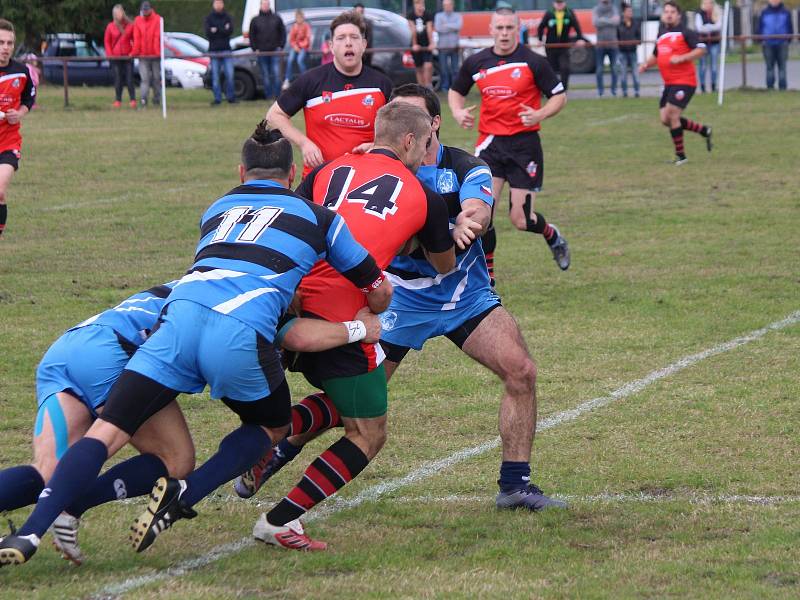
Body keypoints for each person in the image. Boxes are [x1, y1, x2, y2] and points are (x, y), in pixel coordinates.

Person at [0, 122, 391, 566]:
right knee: (246, 435)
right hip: (164, 340)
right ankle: (183, 494)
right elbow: (339, 306)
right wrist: (363, 325)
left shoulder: (215, 211)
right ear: (293, 173)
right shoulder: (317, 217)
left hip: (78, 346)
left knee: (76, 454)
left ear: (241, 172)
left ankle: (32, 531)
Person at [237, 84, 567, 522]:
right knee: (350, 404)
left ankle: (515, 484)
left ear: (431, 126)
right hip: (396, 299)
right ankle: (276, 449)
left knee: (521, 370)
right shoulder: (375, 166)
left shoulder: (465, 166)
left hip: (462, 296)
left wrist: (472, 220)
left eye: (413, 121)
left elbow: (479, 208)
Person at [245, 102, 463, 551]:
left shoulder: (329, 170)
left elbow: (292, 221)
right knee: (368, 432)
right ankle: (279, 518)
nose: (427, 153)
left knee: (347, 402)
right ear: (407, 141)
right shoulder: (425, 194)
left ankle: (268, 443)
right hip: (344, 313)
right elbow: (444, 264)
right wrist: (438, 229)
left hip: (290, 301)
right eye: (424, 144)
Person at [449, 6, 571, 280]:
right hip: (490, 146)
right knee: (483, 212)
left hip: (524, 146)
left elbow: (558, 96)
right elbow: (456, 91)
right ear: (491, 30)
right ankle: (488, 278)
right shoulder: (477, 62)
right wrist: (457, 111)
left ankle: (552, 235)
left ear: (518, 30)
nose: (504, 33)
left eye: (509, 28)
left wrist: (539, 113)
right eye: (499, 28)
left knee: (521, 219)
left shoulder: (533, 61)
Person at [266, 11, 393, 177]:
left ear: (364, 44)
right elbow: (273, 116)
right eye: (341, 38)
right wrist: (304, 143)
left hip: (367, 180)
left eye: (354, 37)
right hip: (318, 180)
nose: (348, 43)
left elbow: (401, 131)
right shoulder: (311, 80)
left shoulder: (382, 85)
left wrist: (377, 147)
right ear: (331, 46)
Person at [639, 1, 712, 165]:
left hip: (685, 81)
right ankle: (703, 130)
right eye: (666, 11)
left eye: (672, 11)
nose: (669, 14)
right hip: (669, 83)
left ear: (679, 15)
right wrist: (645, 64)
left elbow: (701, 49)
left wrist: (682, 58)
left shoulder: (686, 32)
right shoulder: (662, 34)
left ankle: (681, 156)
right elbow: (656, 55)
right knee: (665, 119)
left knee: (672, 114)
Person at [0, 19, 35, 239]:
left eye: (9, 43)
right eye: (1, 42)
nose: (5, 47)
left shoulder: (22, 72)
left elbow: (29, 99)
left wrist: (19, 114)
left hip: (9, 142)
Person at [536, 0, 587, 91]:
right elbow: (541, 27)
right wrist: (540, 39)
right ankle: (551, 89)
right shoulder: (549, 13)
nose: (559, 5)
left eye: (561, 3)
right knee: (551, 69)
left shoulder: (569, 13)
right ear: (553, 4)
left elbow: (576, 26)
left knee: (565, 67)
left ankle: (563, 90)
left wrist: (580, 38)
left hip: (564, 46)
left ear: (565, 3)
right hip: (551, 46)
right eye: (557, 3)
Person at [249, 0, 287, 100]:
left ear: (269, 5)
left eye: (267, 4)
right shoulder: (255, 20)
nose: (265, 6)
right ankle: (268, 96)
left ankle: (278, 96)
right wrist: (255, 48)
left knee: (276, 74)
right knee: (265, 75)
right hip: (261, 52)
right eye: (264, 4)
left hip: (275, 51)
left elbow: (283, 33)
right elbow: (251, 36)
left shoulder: (277, 18)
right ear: (261, 5)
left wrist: (281, 46)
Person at [131, 0, 162, 108]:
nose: (145, 12)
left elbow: (157, 37)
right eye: (143, 10)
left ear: (150, 9)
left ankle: (157, 100)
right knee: (145, 79)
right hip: (143, 56)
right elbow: (137, 38)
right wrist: (135, 52)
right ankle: (144, 100)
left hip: (155, 56)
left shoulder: (158, 19)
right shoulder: (138, 20)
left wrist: (157, 53)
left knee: (156, 78)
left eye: (146, 10)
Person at [104, 4, 136, 108]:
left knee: (129, 79)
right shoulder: (110, 26)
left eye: (120, 12)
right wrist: (110, 55)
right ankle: (118, 100)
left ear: (123, 12)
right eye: (117, 13)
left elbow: (135, 40)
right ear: (114, 15)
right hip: (115, 58)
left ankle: (133, 100)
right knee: (118, 79)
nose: (119, 15)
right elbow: (107, 42)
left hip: (128, 57)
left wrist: (133, 52)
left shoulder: (130, 25)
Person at [205, 0, 236, 105]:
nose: (218, 5)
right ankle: (217, 99)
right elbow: (208, 33)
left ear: (223, 4)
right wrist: (223, 29)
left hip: (226, 49)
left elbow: (230, 31)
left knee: (230, 75)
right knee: (215, 77)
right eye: (216, 3)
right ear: (213, 4)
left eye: (220, 3)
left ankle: (231, 98)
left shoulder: (228, 17)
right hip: (214, 51)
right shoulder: (209, 18)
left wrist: (217, 29)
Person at [758, 0, 793, 91]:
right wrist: (760, 39)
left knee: (782, 67)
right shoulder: (764, 12)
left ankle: (782, 88)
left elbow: (790, 27)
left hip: (782, 43)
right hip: (768, 44)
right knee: (769, 67)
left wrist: (788, 39)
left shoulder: (786, 12)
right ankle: (770, 88)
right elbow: (760, 27)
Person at [592, 0, 621, 96]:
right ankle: (600, 91)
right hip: (600, 45)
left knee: (614, 69)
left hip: (613, 45)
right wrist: (610, 20)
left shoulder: (614, 8)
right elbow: (595, 22)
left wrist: (602, 19)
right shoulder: (596, 9)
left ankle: (614, 91)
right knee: (599, 69)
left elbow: (617, 22)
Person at [435, 0, 463, 92]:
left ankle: (455, 87)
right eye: (445, 5)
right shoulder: (438, 16)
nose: (447, 7)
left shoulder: (457, 16)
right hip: (442, 47)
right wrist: (452, 27)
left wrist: (445, 25)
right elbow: (438, 28)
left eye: (448, 5)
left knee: (455, 69)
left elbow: (458, 26)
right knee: (444, 69)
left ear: (452, 5)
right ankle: (445, 87)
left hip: (454, 46)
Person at [695, 0, 722, 93]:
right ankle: (702, 87)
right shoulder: (699, 14)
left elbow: (718, 26)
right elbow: (699, 28)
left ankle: (714, 86)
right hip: (703, 43)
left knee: (714, 66)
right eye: (706, 3)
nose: (708, 5)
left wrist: (707, 26)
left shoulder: (717, 13)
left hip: (714, 43)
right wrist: (711, 27)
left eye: (710, 2)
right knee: (702, 66)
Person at [408, 0, 435, 88]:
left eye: (422, 4)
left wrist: (431, 43)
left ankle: (428, 86)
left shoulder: (428, 14)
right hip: (416, 43)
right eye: (418, 4)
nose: (420, 6)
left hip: (426, 43)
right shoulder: (411, 15)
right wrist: (415, 44)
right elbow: (413, 30)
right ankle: (421, 88)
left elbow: (429, 29)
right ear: (415, 5)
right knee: (419, 68)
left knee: (428, 65)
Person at [283, 9, 312, 89]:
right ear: (296, 18)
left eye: (301, 17)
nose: (299, 19)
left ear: (303, 18)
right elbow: (291, 39)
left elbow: (308, 38)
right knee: (290, 59)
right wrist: (295, 46)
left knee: (300, 60)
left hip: (304, 47)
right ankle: (288, 79)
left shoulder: (306, 26)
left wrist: (301, 46)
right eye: (298, 18)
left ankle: (305, 78)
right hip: (295, 47)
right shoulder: (294, 27)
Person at [617, 3, 640, 97]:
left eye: (631, 11)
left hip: (633, 51)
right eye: (628, 11)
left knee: (635, 73)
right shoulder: (619, 24)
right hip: (622, 52)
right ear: (624, 13)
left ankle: (637, 92)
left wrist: (634, 42)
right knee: (623, 73)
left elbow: (639, 37)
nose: (630, 13)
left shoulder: (636, 23)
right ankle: (625, 92)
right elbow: (617, 38)